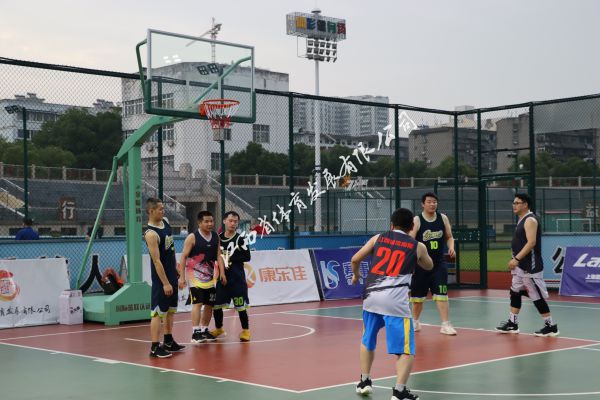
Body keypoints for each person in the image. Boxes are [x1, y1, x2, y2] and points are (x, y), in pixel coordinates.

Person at [351, 208, 433, 400]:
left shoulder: (378, 238)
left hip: (371, 297)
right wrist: (417, 258)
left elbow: (355, 259)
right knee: (406, 350)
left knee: (367, 339)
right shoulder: (417, 246)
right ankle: (399, 391)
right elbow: (429, 265)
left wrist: (356, 275)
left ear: (391, 224)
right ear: (412, 227)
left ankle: (364, 381)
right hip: (395, 303)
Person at [496, 193, 559, 337]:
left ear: (525, 204)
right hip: (520, 266)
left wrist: (517, 259)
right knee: (515, 291)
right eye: (513, 203)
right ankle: (512, 323)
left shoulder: (530, 220)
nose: (514, 205)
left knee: (535, 295)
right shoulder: (521, 220)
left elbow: (531, 243)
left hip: (530, 265)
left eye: (517, 203)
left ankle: (551, 326)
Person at [409, 192, 457, 335]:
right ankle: (415, 322)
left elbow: (449, 237)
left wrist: (451, 247)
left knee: (442, 294)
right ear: (423, 204)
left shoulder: (443, 218)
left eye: (434, 202)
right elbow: (410, 241)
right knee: (417, 298)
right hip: (421, 265)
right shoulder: (417, 220)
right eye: (429, 202)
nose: (432, 204)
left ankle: (445, 324)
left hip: (438, 264)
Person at [144, 198, 185, 358]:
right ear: (151, 211)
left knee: (170, 310)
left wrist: (175, 267)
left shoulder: (165, 222)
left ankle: (168, 341)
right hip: (162, 280)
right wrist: (165, 283)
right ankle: (155, 347)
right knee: (157, 312)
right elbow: (156, 261)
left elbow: (170, 249)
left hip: (172, 274)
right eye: (160, 209)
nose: (163, 211)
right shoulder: (151, 234)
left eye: (163, 208)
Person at [178, 210, 226, 343]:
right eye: (206, 221)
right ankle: (195, 332)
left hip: (210, 277)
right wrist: (182, 277)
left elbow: (218, 256)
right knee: (198, 303)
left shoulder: (215, 236)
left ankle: (204, 330)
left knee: (209, 304)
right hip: (194, 277)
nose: (210, 224)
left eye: (211, 221)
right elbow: (183, 257)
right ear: (199, 223)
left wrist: (222, 272)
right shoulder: (192, 237)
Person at [210, 211, 252, 342]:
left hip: (237, 279)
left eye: (235, 222)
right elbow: (215, 255)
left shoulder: (240, 239)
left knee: (240, 306)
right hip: (222, 278)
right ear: (224, 221)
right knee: (217, 305)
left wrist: (229, 257)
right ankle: (219, 328)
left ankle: (246, 330)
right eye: (230, 221)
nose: (233, 223)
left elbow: (247, 256)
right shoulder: (218, 238)